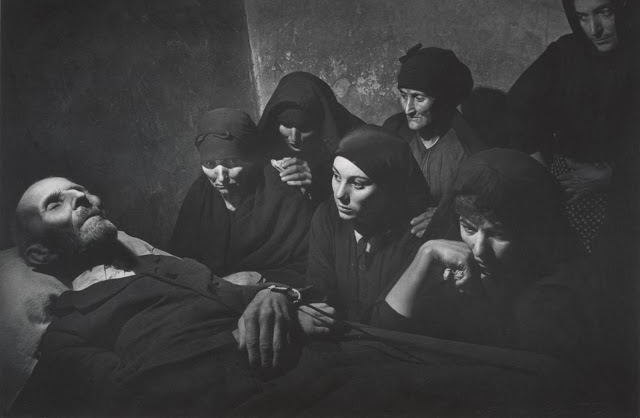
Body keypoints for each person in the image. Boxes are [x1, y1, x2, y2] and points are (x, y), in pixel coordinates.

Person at [10, 177, 586, 417]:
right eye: (56, 203)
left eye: (81, 191)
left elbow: (250, 288)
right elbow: (132, 400)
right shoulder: (71, 327)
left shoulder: (170, 267)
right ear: (37, 255)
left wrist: (274, 298)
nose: (81, 198)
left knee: (528, 383)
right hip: (254, 395)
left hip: (321, 353)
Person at [371, 149, 598, 363]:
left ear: (532, 234)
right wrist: (426, 252)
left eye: (498, 234)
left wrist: (475, 295)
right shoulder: (446, 258)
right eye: (468, 228)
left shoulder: (559, 294)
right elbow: (380, 334)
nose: (479, 249)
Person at [507, 0, 639, 254]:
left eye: (604, 12)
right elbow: (519, 106)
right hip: (568, 182)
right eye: (582, 17)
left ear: (624, 8)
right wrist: (542, 172)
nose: (594, 29)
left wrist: (614, 176)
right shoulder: (566, 52)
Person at [169, 108, 314, 287]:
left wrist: (260, 278)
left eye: (231, 162)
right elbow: (179, 260)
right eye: (209, 163)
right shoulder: (200, 194)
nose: (221, 177)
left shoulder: (282, 192)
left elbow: (309, 263)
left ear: (250, 158)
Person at [304, 125, 433, 325]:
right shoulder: (327, 216)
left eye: (358, 184)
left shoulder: (418, 231)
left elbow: (396, 323)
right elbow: (319, 295)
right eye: (336, 176)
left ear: (390, 187)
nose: (340, 194)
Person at [383, 44, 485, 237]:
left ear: (442, 99)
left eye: (419, 98)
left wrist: (449, 217)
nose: (408, 109)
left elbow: (485, 207)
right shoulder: (393, 132)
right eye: (404, 96)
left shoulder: (467, 147)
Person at [257, 71, 364, 204]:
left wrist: (317, 179)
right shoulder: (271, 139)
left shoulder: (356, 140)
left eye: (304, 127)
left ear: (321, 124)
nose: (294, 139)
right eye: (286, 125)